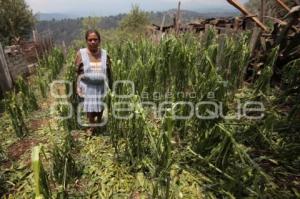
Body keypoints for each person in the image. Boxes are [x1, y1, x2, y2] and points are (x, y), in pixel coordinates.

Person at [75, 29, 113, 135]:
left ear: (99, 41)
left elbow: (109, 71)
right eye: (90, 39)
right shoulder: (81, 54)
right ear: (86, 41)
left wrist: (110, 85)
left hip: (102, 86)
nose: (93, 42)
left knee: (100, 107)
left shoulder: (105, 54)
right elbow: (77, 72)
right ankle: (92, 128)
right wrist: (77, 86)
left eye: (95, 39)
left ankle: (99, 123)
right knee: (90, 109)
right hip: (88, 87)